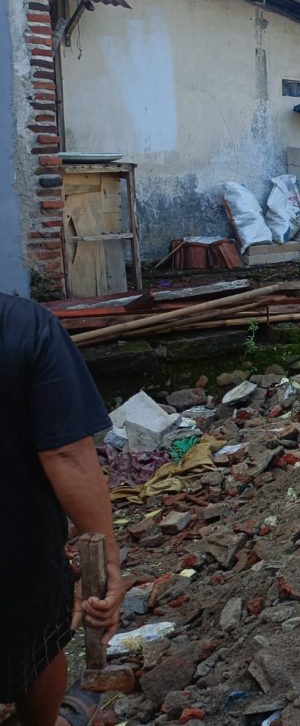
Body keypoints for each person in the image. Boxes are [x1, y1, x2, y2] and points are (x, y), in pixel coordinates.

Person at [1, 294, 125, 726]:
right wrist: (108, 560)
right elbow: (67, 454)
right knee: (39, 649)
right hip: (18, 566)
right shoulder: (23, 326)